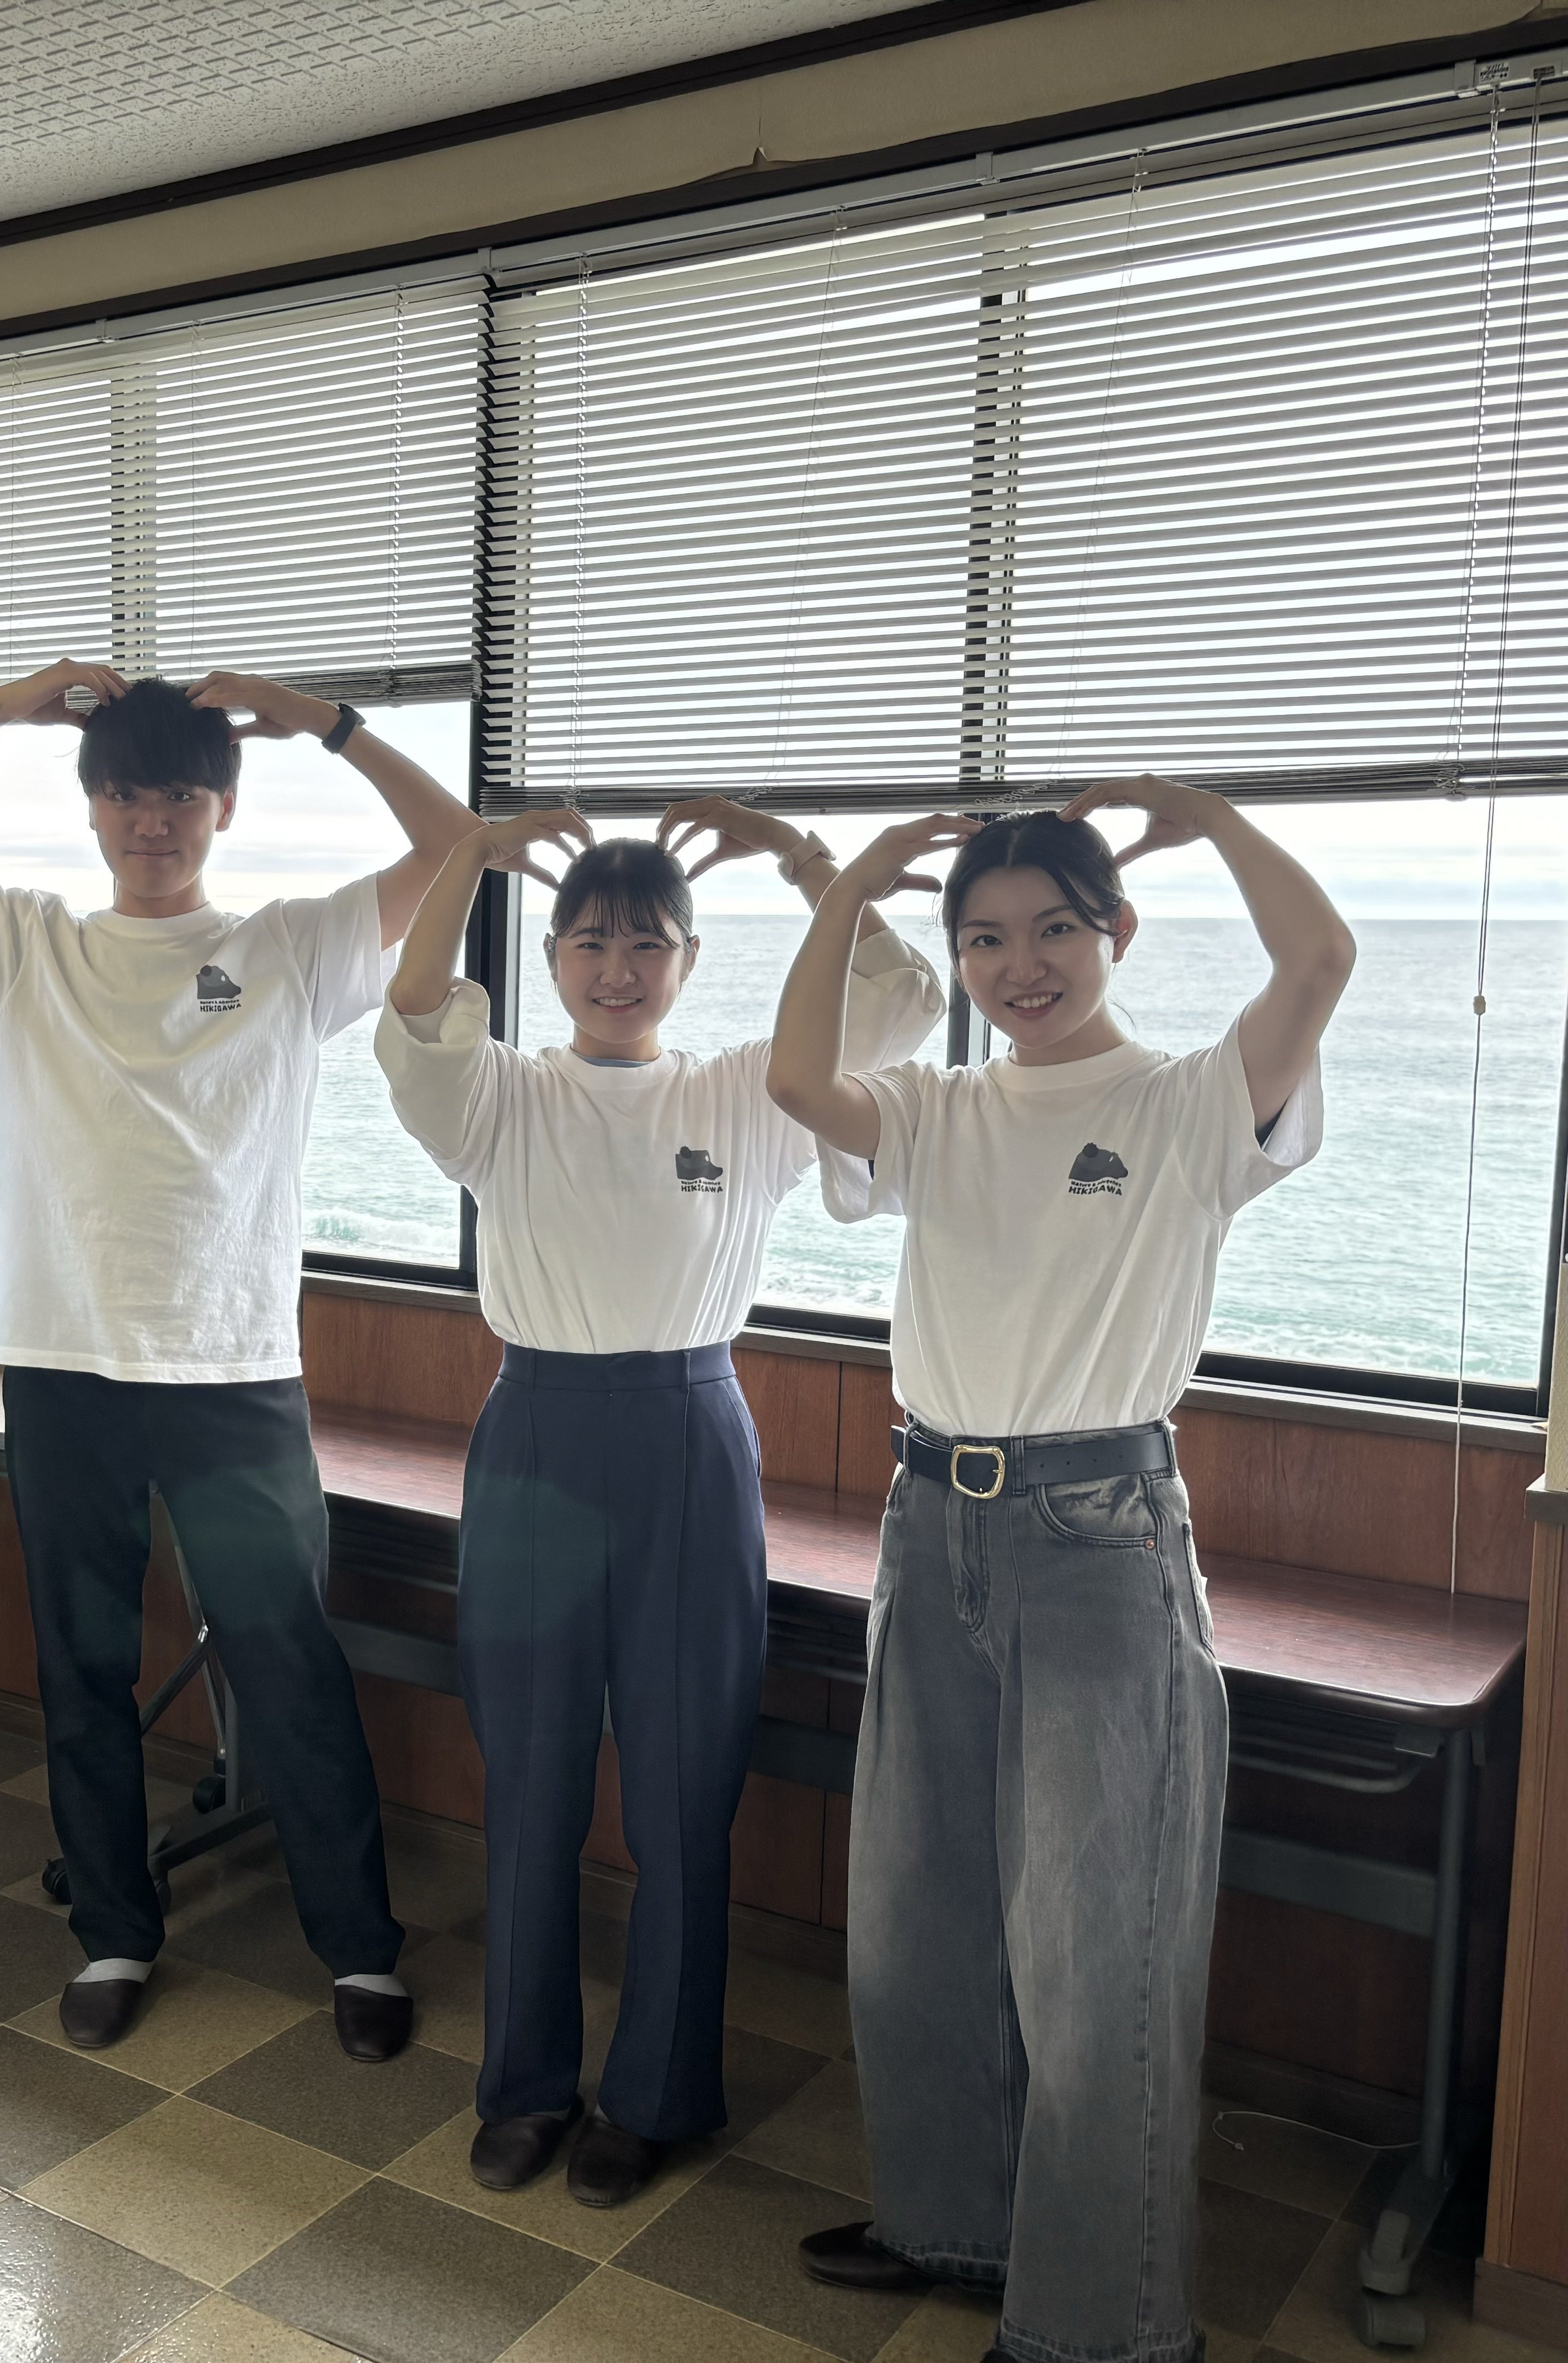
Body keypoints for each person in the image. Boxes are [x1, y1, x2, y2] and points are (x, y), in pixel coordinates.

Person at [764, 783, 1351, 2363]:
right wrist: (853, 885)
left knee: (1098, 1955)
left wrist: (1207, 811)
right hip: (927, 1516)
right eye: (984, 941)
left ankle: (1104, 2326)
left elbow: (1318, 960)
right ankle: (950, 2222)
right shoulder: (942, 1108)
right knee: (919, 1915)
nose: (1019, 967)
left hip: (1100, 1537)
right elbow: (796, 1077)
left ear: (1116, 932)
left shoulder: (1188, 1100)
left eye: (1053, 931)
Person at [0, 660, 481, 2059]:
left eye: (180, 794)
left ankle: (358, 1950)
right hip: (62, 1360)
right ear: (92, 808)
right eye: (126, 794)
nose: (152, 821)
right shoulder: (26, 942)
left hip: (233, 1369)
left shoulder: (292, 947)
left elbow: (451, 842)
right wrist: (9, 704)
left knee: (286, 1660)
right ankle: (114, 1932)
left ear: (223, 806)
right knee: (83, 1664)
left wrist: (326, 723)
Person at [376, 799, 944, 2206]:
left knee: (686, 1786)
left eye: (646, 944)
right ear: (552, 961)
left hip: (690, 1435)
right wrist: (469, 856)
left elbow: (906, 1000)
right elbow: (416, 1005)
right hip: (535, 1438)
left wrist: (804, 860)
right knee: (532, 1778)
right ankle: (524, 2085)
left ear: (688, 961)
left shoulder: (749, 1089)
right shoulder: (503, 1095)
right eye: (588, 942)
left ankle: (658, 2096)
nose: (616, 969)